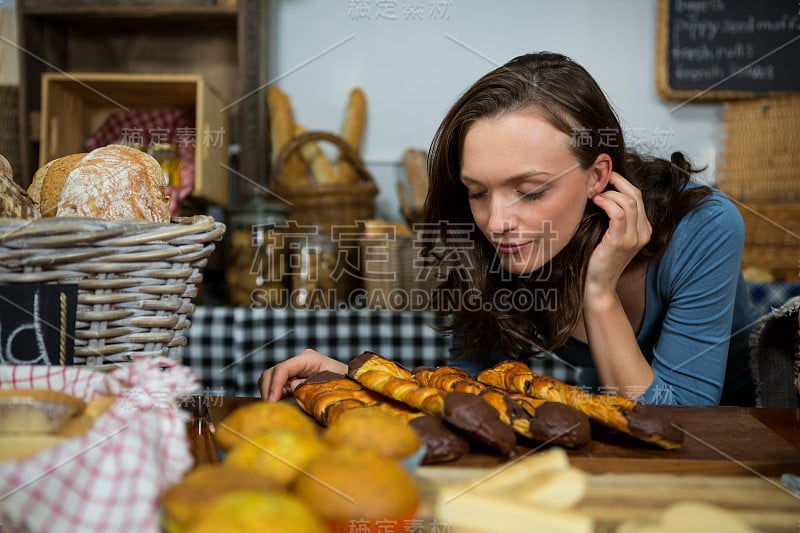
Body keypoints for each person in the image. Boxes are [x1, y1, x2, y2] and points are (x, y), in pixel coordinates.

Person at [260, 52, 762, 406]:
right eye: (478, 192)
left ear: (597, 176)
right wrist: (355, 378)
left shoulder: (703, 227)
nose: (497, 223)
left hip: (733, 451)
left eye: (531, 190)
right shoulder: (485, 245)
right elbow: (470, 394)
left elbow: (677, 425)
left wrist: (600, 291)